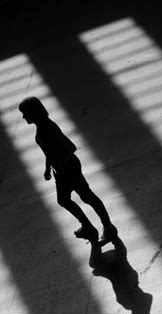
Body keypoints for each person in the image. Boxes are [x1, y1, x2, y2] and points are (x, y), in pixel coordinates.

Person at [18, 96, 120, 245]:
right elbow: (49, 151)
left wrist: (60, 164)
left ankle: (108, 228)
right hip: (60, 171)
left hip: (69, 169)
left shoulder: (49, 127)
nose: (23, 116)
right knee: (64, 200)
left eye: (25, 113)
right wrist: (48, 168)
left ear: (33, 112)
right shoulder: (40, 128)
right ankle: (88, 226)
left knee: (87, 197)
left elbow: (71, 147)